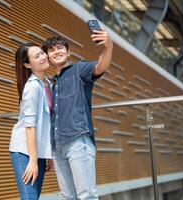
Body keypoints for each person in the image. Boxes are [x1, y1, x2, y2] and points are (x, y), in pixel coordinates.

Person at [42, 28, 113, 199]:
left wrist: (108, 47)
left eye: (60, 48)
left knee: (86, 195)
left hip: (77, 142)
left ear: (68, 52)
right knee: (68, 197)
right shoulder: (53, 83)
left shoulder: (79, 69)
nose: (56, 52)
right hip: (57, 148)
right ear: (48, 57)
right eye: (51, 50)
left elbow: (100, 66)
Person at [9, 43, 53, 200]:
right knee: (29, 198)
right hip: (24, 151)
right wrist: (33, 160)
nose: (43, 56)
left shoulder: (47, 84)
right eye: (37, 56)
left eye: (42, 53)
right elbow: (30, 126)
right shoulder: (32, 87)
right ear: (27, 64)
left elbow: (47, 123)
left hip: (38, 151)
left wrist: (48, 154)